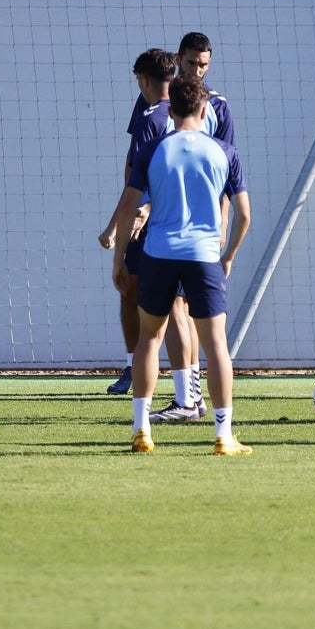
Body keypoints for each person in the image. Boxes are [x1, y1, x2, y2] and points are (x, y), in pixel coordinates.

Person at [109, 75, 252, 455]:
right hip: (204, 256)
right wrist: (229, 256)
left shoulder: (154, 149)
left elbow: (128, 208)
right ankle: (223, 436)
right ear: (205, 111)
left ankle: (142, 430)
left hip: (158, 253)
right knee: (216, 344)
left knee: (148, 339)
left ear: (171, 112)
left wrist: (120, 259)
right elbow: (244, 215)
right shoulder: (225, 151)